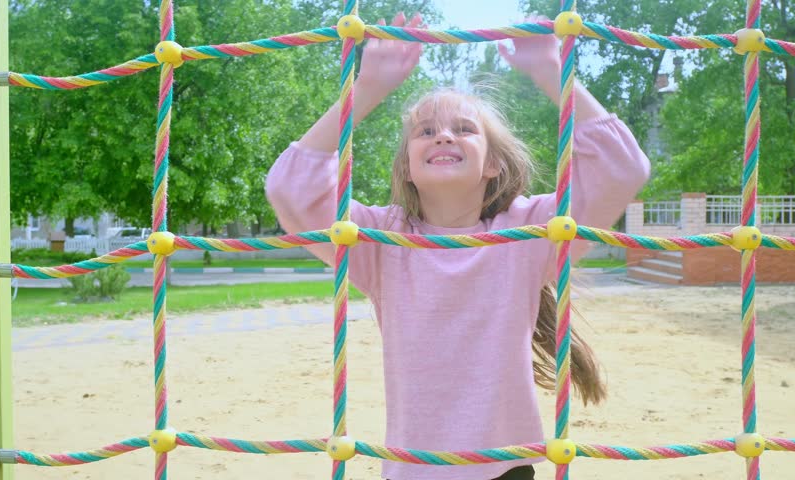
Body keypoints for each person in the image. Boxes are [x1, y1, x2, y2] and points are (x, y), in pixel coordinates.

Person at [266, 12, 650, 480]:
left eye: (464, 129)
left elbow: (623, 168)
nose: (443, 135)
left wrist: (553, 72)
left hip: (506, 467)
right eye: (425, 131)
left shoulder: (529, 233)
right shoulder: (381, 241)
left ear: (494, 166)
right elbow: (290, 189)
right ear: (407, 167)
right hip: (415, 469)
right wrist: (366, 89)